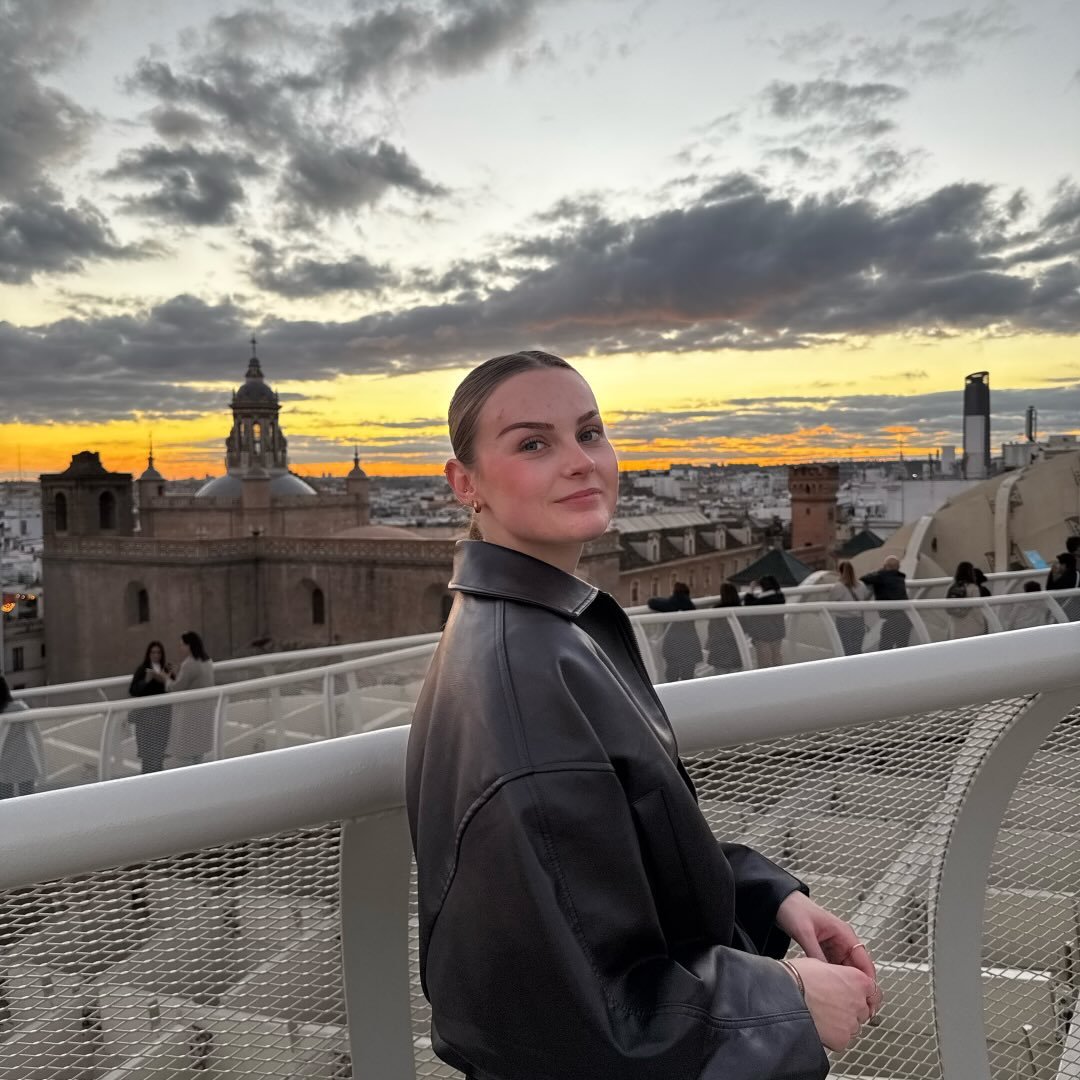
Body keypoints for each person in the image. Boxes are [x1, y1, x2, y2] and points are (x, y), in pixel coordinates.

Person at [407, 350, 880, 1080]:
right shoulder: (529, 673)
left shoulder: (532, 633)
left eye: (589, 432)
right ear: (465, 483)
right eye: (533, 443)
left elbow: (614, 862)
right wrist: (787, 996)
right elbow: (581, 1011)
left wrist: (767, 896)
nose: (579, 461)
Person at [151, 631, 215, 766]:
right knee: (199, 750)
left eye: (182, 645)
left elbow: (176, 687)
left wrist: (165, 678)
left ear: (189, 645)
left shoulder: (189, 664)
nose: (180, 648)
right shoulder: (207, 661)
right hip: (205, 709)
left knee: (187, 752)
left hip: (190, 713)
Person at [128, 640, 173, 773]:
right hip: (146, 719)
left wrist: (166, 679)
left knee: (159, 753)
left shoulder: (166, 668)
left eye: (158, 652)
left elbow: (174, 687)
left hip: (163, 717)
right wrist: (146, 681)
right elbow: (133, 690)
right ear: (148, 654)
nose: (156, 655)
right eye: (153, 652)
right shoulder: (142, 669)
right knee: (147, 755)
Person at [647, 581, 702, 681]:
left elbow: (652, 602)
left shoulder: (671, 604)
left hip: (673, 646)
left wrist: (667, 599)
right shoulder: (691, 606)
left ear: (675, 592)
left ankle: (673, 689)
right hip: (690, 645)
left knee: (672, 675)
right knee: (688, 676)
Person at [0, 674, 44, 798]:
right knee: (27, 796)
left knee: (5, 798)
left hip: (4, 764)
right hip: (25, 760)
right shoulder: (20, 708)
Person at [862, 555, 911, 650]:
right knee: (902, 649)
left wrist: (879, 571)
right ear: (898, 567)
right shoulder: (900, 578)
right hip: (906, 619)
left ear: (885, 566)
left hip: (892, 620)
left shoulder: (880, 577)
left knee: (885, 649)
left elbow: (863, 579)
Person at [742, 574, 786, 668]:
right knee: (776, 655)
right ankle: (780, 673)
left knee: (764, 660)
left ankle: (765, 675)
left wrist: (751, 589)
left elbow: (748, 604)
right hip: (778, 631)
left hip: (763, 633)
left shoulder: (764, 600)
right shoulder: (780, 597)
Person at [828, 561, 870, 656]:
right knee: (857, 649)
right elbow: (866, 597)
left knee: (845, 648)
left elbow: (831, 602)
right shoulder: (861, 585)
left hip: (844, 621)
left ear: (840, 572)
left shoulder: (838, 587)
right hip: (859, 621)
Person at [707, 582, 744, 673]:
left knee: (720, 676)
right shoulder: (741, 610)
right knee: (736, 675)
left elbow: (712, 630)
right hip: (736, 647)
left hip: (719, 649)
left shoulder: (717, 610)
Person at [945, 561, 986, 640]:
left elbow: (947, 606)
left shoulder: (951, 587)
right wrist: (983, 625)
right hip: (972, 629)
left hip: (955, 630)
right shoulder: (973, 588)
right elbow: (976, 610)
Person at [1046, 551, 1080, 621]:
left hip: (1066, 612)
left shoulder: (1065, 579)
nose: (1058, 566)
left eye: (1059, 563)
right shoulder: (1077, 574)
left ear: (1064, 565)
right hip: (1076, 611)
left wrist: (1053, 574)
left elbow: (1050, 591)